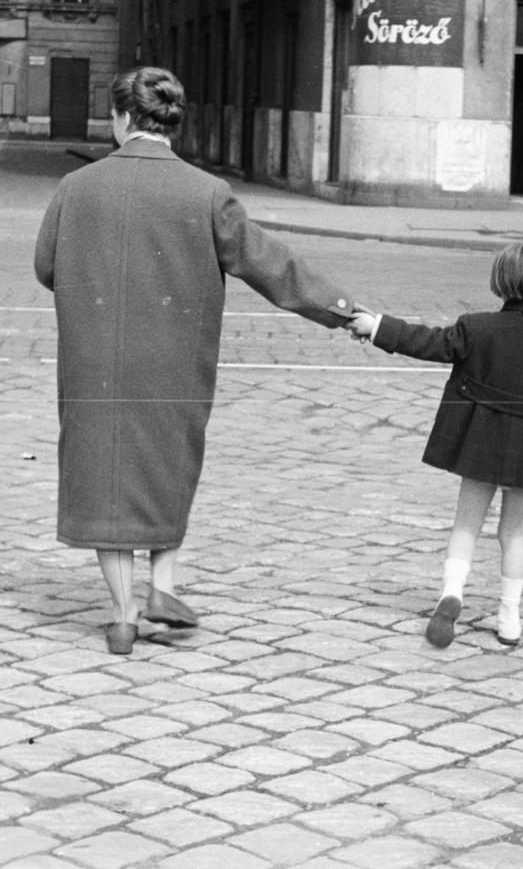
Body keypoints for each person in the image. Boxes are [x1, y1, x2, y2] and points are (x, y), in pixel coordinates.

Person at [34, 66, 360, 656]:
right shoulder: (206, 193)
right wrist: (342, 310)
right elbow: (270, 265)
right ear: (170, 123)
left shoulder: (75, 188)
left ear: (122, 119)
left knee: (106, 474)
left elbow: (46, 268)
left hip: (95, 361)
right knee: (166, 466)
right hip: (174, 360)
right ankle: (163, 589)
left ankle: (123, 614)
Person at [346, 245, 523, 648]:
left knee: (466, 527)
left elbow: (426, 342)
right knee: (514, 533)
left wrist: (376, 326)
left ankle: (451, 593)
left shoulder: (476, 327)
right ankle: (509, 618)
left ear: (499, 282)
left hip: (480, 445)